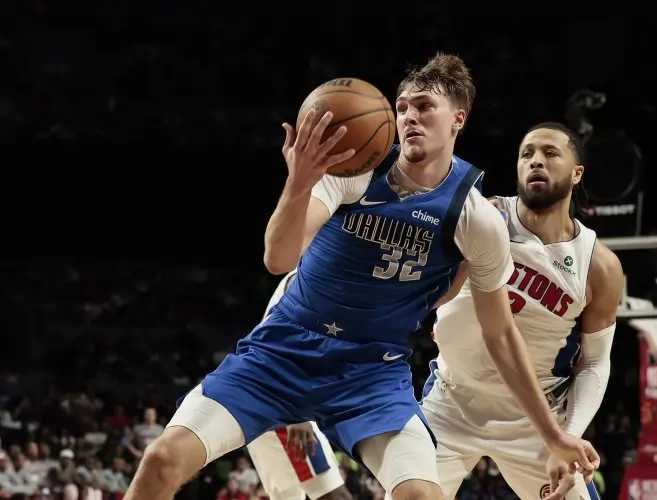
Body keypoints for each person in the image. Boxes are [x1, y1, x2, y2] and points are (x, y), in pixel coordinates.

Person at [125, 53, 598, 500]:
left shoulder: (477, 220)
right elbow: (278, 257)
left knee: (420, 494)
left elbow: (500, 335)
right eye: (403, 107)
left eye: (424, 107)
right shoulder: (354, 171)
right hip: (283, 351)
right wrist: (300, 181)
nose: (410, 116)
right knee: (161, 461)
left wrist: (553, 434)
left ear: (458, 118)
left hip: (371, 371)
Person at [421, 123, 621, 500]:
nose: (536, 161)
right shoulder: (484, 215)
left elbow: (595, 363)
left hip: (535, 419)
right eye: (527, 154)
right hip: (451, 401)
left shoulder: (599, 266)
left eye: (550, 153)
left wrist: (567, 437)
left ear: (577, 173)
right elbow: (431, 293)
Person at [247, 270, 352, 500]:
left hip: (269, 395)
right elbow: (278, 340)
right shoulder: (313, 276)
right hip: (278, 399)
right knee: (333, 494)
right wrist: (297, 416)